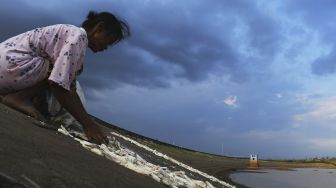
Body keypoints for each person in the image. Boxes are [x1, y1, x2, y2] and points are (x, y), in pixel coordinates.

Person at [0, 11, 130, 144]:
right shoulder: (78, 37)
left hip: (7, 68)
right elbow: (58, 84)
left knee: (66, 73)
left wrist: (87, 121)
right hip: (11, 66)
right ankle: (18, 98)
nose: (106, 47)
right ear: (99, 28)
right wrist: (88, 125)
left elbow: (69, 85)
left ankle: (23, 97)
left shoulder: (72, 35)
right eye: (108, 42)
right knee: (59, 73)